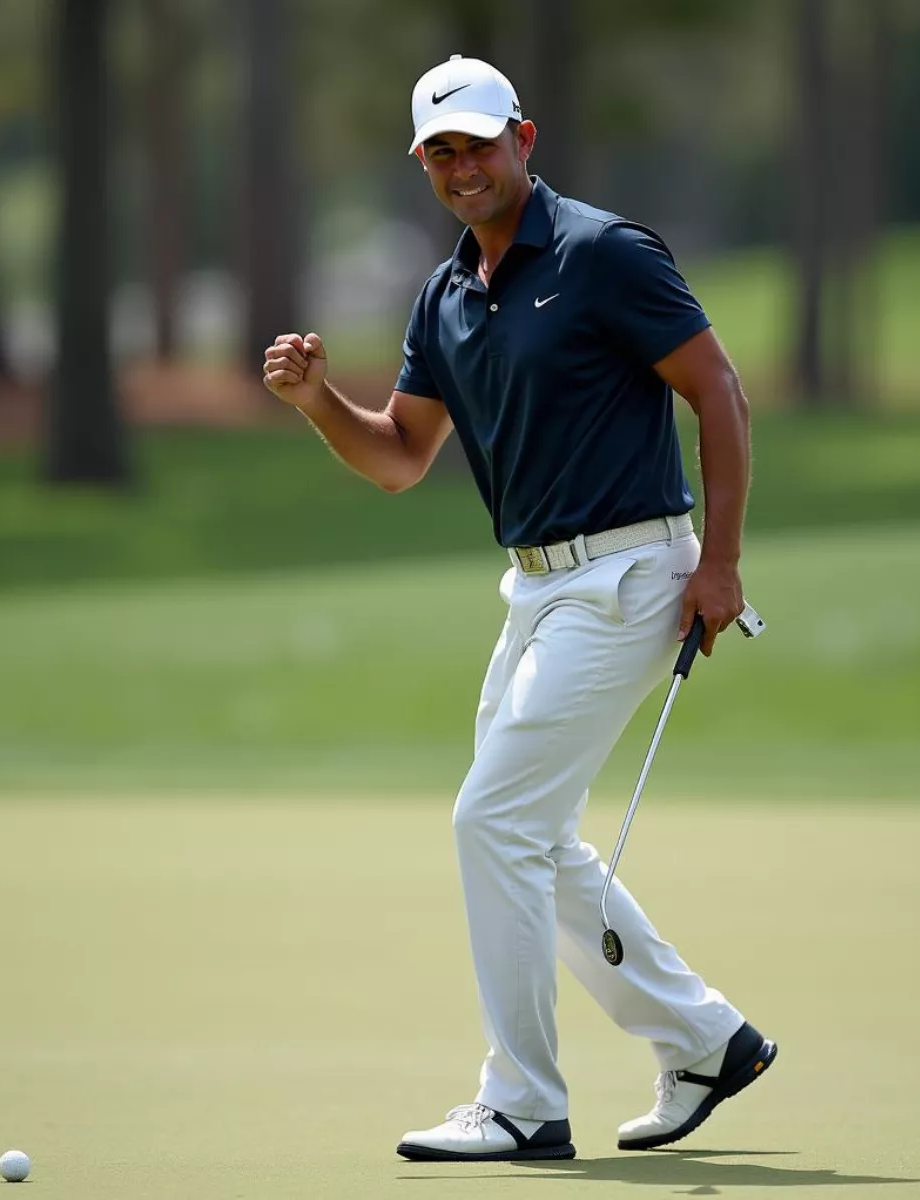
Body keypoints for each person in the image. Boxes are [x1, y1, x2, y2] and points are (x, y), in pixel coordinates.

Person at [263, 54, 776, 1163]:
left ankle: (524, 1103)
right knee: (530, 836)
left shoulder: (604, 254)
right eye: (440, 152)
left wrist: (720, 565)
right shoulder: (448, 296)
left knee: (491, 820)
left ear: (524, 140)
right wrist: (317, 403)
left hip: (635, 572)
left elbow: (719, 391)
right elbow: (400, 456)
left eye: (480, 144)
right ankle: (704, 1039)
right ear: (423, 165)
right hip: (537, 591)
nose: (463, 167)